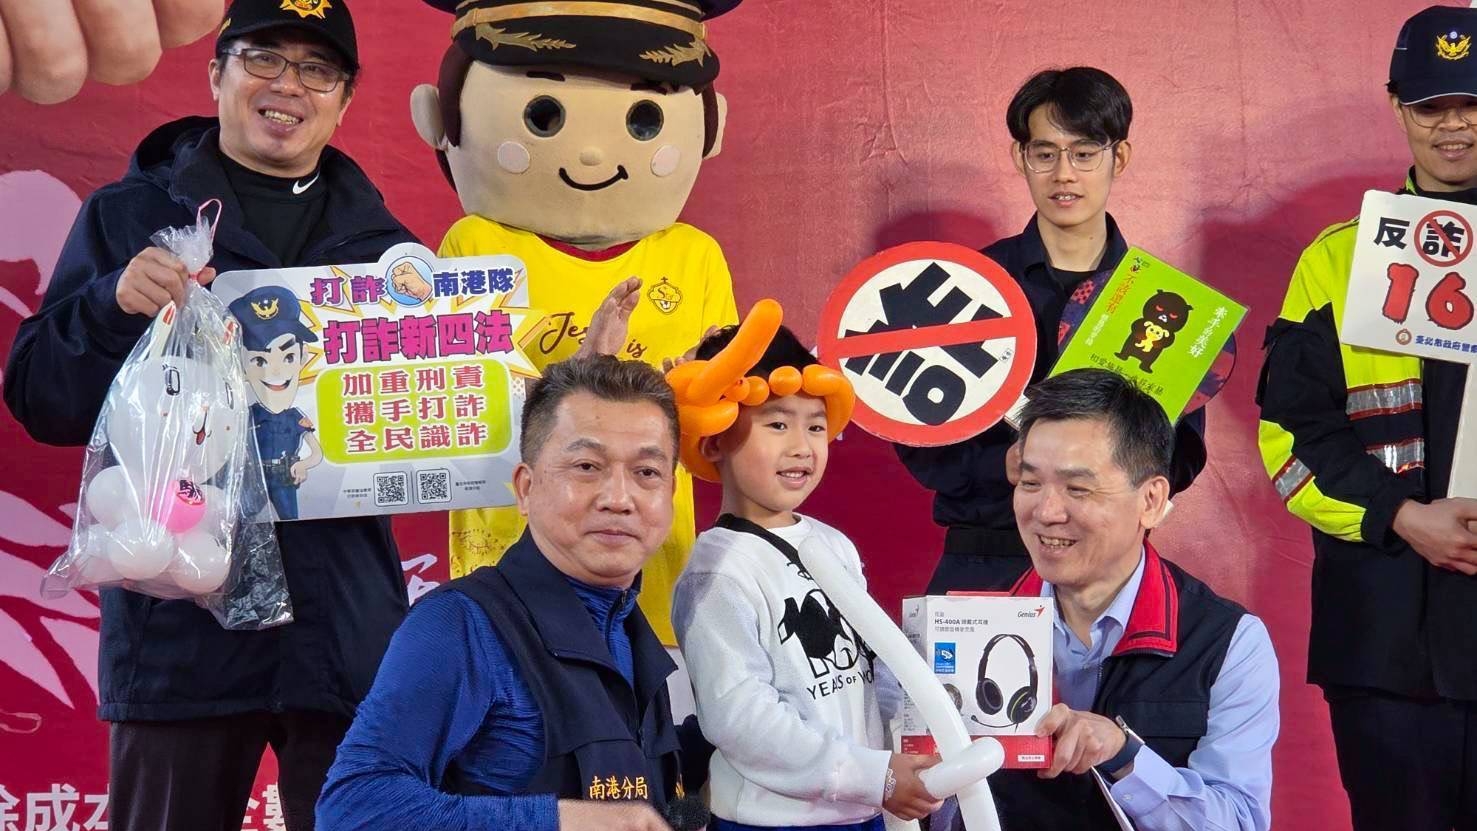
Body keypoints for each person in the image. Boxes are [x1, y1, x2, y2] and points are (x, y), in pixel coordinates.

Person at [2, 0, 416, 827]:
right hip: (178, 615)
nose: (287, 85)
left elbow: (446, 425)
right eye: (264, 57)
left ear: (344, 99)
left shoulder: (389, 258)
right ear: (215, 73)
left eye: (316, 70)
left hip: (342, 632)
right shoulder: (129, 217)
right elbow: (41, 398)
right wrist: (112, 305)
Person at [410, 0, 743, 646]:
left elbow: (714, 438)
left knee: (645, 700)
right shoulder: (475, 247)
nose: (591, 152)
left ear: (712, 128)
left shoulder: (692, 255)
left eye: (642, 119)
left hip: (647, 565)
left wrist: (701, 396)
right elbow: (451, 407)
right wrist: (581, 374)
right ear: (437, 118)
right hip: (511, 557)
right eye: (544, 114)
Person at [1257, 6, 1477, 828]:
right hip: (1382, 644)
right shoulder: (1334, 259)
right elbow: (1290, 436)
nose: (1452, 125)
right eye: (1430, 106)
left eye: (1471, 104)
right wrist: (1401, 516)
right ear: (1396, 107)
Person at [318, 356, 689, 831]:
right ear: (526, 488)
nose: (619, 498)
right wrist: (560, 821)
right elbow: (351, 807)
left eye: (647, 472)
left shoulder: (628, 625)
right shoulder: (461, 624)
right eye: (587, 466)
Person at [896, 67, 1208, 594]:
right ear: (1021, 158)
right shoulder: (967, 286)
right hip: (986, 557)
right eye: (1045, 153)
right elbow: (919, 435)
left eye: (1084, 153)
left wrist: (1104, 480)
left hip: (1110, 562)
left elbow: (1182, 451)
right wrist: (1002, 464)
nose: (1064, 174)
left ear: (1119, 158)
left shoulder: (1163, 302)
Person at [966, 369, 1276, 831]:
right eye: (1030, 484)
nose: (1046, 512)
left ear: (1151, 500)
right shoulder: (962, 624)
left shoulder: (1229, 643)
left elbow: (1239, 821)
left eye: (1078, 488)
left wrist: (1124, 755)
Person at [670, 306, 940, 831]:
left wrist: (906, 750)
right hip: (769, 821)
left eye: (815, 426)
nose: (801, 447)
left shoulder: (832, 544)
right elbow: (741, 719)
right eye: (777, 424)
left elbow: (875, 665)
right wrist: (873, 775)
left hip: (862, 808)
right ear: (715, 439)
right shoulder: (717, 571)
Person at [229, 285, 324, 521]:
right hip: (252, 477)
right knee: (238, 521)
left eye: (288, 357)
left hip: (284, 477)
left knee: (293, 521)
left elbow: (316, 452)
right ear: (241, 365)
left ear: (303, 356)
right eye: (259, 361)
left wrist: (304, 464)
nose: (276, 372)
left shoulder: (296, 417)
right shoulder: (246, 415)